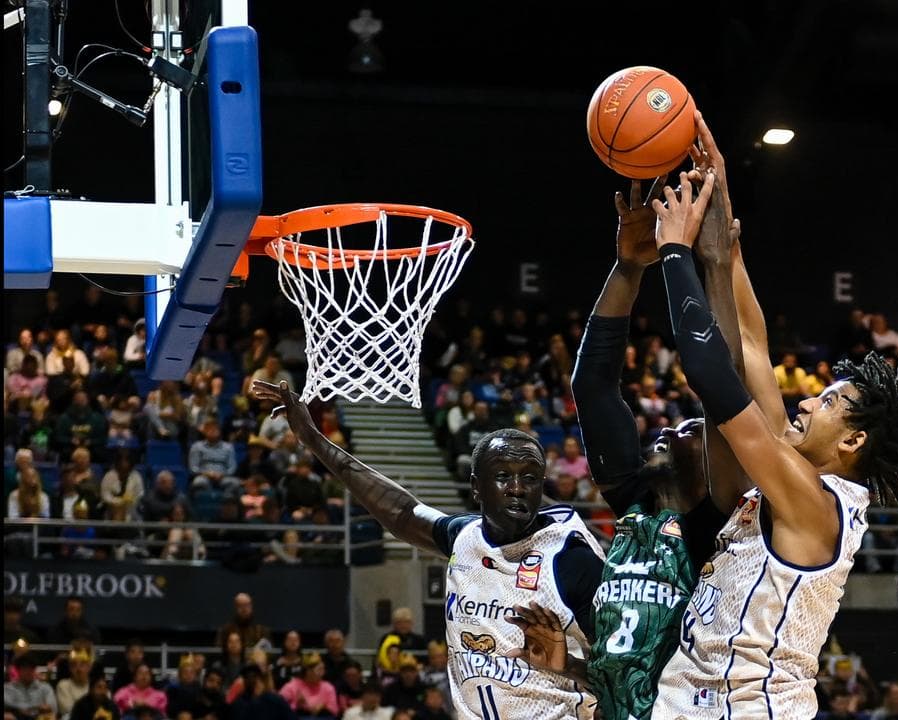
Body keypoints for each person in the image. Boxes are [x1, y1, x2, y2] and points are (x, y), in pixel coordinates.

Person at [647, 131, 898, 719]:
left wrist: (675, 254)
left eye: (829, 402)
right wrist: (725, 222)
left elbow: (715, 375)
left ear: (854, 439)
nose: (807, 403)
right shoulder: (792, 477)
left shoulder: (815, 502)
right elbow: (754, 345)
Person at [505, 141, 751, 720]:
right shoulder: (635, 503)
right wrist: (627, 266)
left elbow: (722, 384)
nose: (668, 429)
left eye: (689, 428)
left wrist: (680, 255)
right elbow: (594, 387)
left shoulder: (712, 521)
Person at [250, 379, 606, 720]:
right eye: (503, 475)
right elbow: (400, 510)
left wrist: (569, 666)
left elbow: (629, 675)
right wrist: (312, 438)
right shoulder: (464, 537)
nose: (517, 488)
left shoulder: (572, 561)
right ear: (476, 487)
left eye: (530, 478)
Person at [278, 653, 338, 718]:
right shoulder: (292, 686)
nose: (322, 674)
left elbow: (334, 712)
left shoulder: (328, 687)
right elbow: (278, 707)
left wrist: (323, 707)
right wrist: (297, 706)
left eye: (323, 669)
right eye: (319, 670)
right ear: (308, 671)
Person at [6, 655, 56, 720]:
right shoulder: (8, 688)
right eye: (25, 668)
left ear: (35, 669)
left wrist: (21, 709)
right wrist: (37, 707)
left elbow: (52, 708)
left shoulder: (45, 688)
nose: (28, 671)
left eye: (31, 668)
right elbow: (7, 708)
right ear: (18, 670)